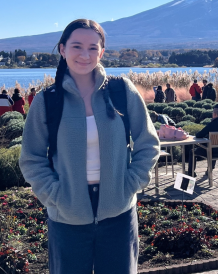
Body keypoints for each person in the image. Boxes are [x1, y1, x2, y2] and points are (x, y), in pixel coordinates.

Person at [19, 19, 159, 273]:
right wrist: (55, 196)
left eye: (93, 48)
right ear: (62, 49)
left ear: (102, 52)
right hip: (66, 218)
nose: (85, 55)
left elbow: (148, 142)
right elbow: (31, 158)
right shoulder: (46, 101)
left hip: (119, 214)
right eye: (76, 46)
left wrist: (130, 184)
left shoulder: (121, 91)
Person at [185, 103, 218, 177]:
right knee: (215, 147)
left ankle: (191, 173)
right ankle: (210, 169)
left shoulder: (211, 125)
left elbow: (199, 135)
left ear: (215, 114)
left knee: (192, 152)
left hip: (209, 152)